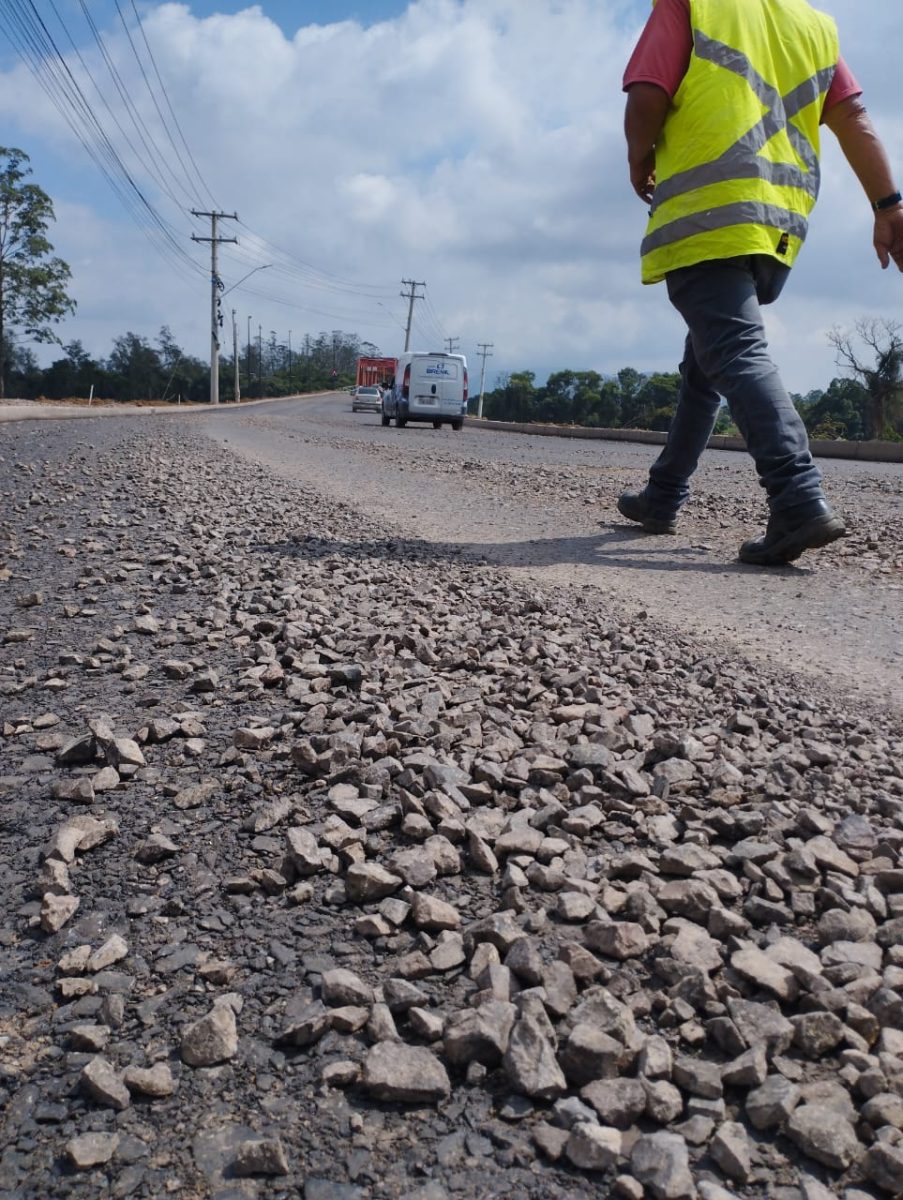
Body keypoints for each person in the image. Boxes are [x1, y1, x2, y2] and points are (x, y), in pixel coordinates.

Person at [617, 0, 903, 565]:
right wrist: (889, 203)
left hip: (708, 213)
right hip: (777, 227)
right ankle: (663, 494)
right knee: (704, 363)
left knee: (736, 353)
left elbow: (647, 93)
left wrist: (638, 157)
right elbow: (853, 118)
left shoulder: (693, 3)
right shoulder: (813, 26)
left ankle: (798, 495)